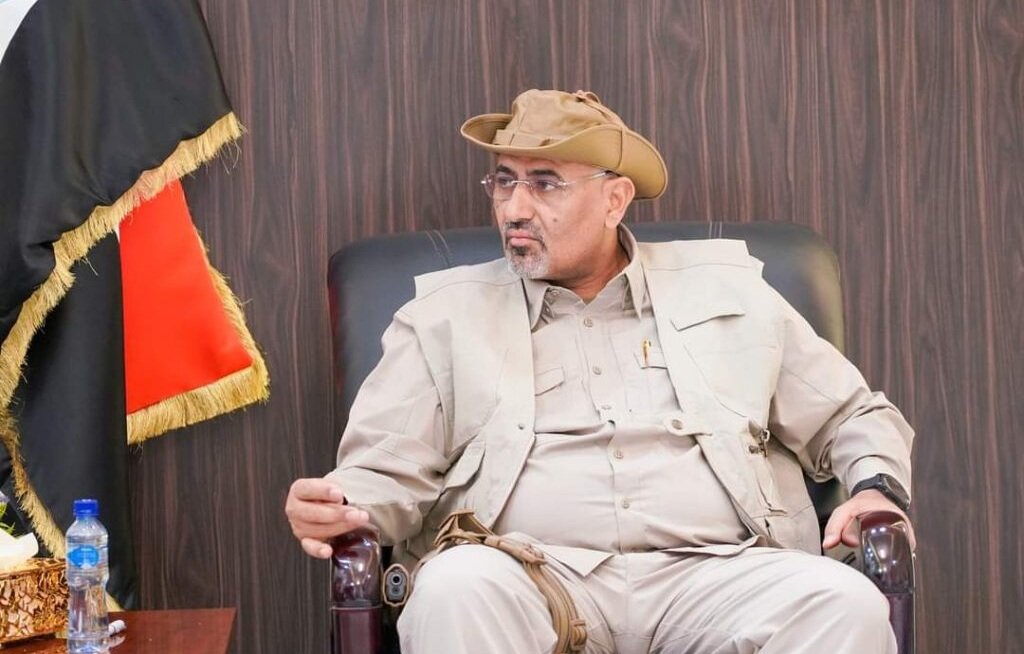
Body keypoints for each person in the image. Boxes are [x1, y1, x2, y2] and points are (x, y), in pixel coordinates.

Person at [285, 89, 915, 654]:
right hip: (527, 576)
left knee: (845, 604)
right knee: (454, 587)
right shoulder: (440, 318)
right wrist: (344, 505)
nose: (514, 208)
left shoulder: (732, 292)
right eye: (503, 182)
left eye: (545, 183)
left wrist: (876, 489)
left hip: (718, 576)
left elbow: (851, 416)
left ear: (615, 199)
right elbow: (384, 470)